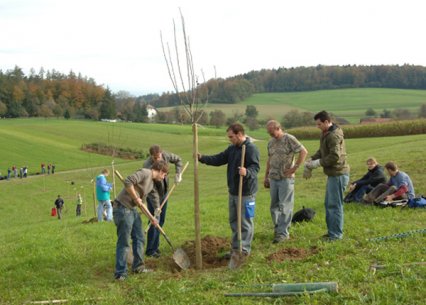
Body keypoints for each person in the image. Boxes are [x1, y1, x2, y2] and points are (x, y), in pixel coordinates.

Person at [198, 123, 260, 257]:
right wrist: (202, 158)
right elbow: (218, 159)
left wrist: (246, 171)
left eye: (231, 136)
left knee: (244, 222)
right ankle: (236, 249)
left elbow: (255, 168)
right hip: (233, 191)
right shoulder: (232, 149)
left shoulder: (251, 149)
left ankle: (244, 251)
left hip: (246, 192)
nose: (229, 139)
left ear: (239, 134)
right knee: (234, 221)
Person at [112, 160, 168, 280]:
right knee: (124, 242)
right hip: (122, 208)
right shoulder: (145, 172)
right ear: (160, 171)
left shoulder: (152, 184)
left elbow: (153, 198)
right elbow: (128, 181)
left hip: (132, 210)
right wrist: (135, 197)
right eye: (164, 175)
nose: (164, 177)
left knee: (140, 238)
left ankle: (138, 267)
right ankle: (120, 273)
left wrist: (154, 215)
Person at [304, 111, 350, 241]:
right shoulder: (325, 133)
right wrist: (312, 159)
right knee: (329, 204)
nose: (317, 126)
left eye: (319, 124)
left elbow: (334, 156)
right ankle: (332, 233)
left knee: (335, 205)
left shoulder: (333, 135)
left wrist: (317, 163)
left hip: (339, 173)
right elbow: (323, 151)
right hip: (333, 174)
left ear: (326, 122)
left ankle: (336, 235)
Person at [264, 120, 308, 243]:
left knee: (285, 206)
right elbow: (269, 159)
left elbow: (303, 151)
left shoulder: (289, 139)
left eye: (272, 132)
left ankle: (283, 234)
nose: (271, 135)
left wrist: (295, 167)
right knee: (274, 206)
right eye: (269, 133)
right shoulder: (271, 142)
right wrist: (266, 176)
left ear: (278, 128)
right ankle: (278, 229)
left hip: (286, 178)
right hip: (273, 178)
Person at [143, 144, 183, 258]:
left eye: (158, 157)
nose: (157, 159)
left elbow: (178, 159)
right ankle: (150, 250)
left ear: (161, 153)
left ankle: (156, 247)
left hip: (165, 193)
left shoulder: (166, 156)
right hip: (153, 195)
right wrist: (156, 206)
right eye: (154, 158)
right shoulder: (147, 166)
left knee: (161, 221)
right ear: (151, 156)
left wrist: (178, 173)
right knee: (154, 220)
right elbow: (150, 188)